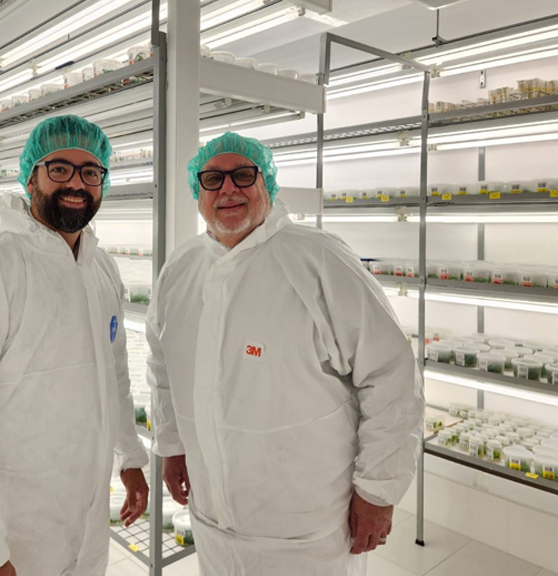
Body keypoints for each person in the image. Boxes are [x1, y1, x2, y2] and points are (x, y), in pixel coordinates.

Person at [146, 132, 424, 575]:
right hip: (214, 517)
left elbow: (391, 376)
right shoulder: (179, 270)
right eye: (213, 179)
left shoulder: (319, 259)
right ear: (197, 192)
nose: (228, 189)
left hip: (308, 528)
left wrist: (378, 490)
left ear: (267, 185)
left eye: (243, 175)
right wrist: (173, 446)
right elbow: (163, 368)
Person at [0, 115, 150, 576]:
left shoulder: (102, 270)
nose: (76, 183)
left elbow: (114, 378)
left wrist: (129, 457)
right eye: (59, 168)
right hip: (13, 527)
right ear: (30, 177)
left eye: (90, 171)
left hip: (89, 519)